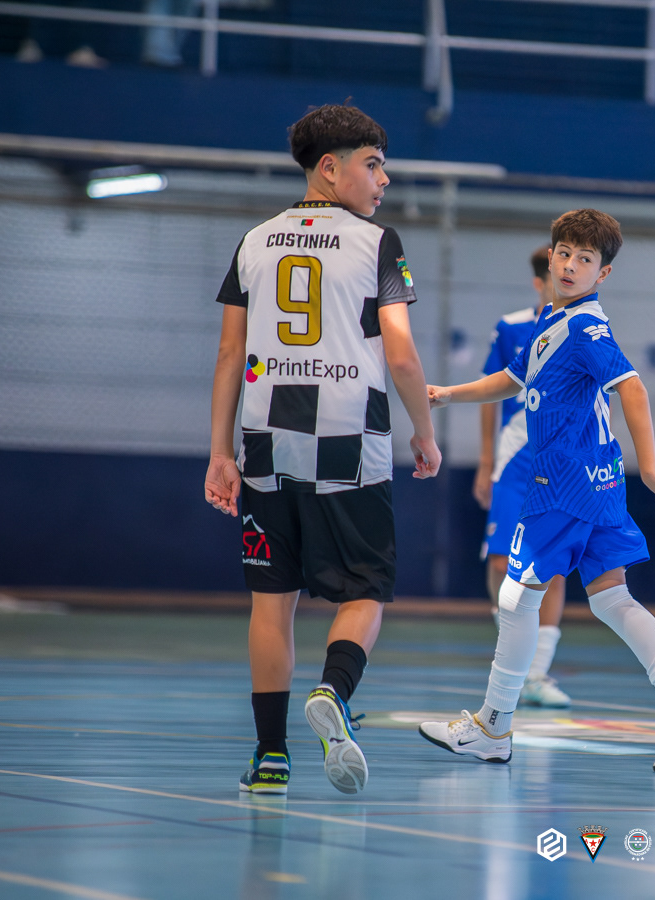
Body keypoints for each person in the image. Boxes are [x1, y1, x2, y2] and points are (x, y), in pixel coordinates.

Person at [418, 209, 655, 773]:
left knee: (516, 597)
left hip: (562, 482)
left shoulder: (586, 327)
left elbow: (632, 387)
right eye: (564, 253)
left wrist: (652, 471)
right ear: (552, 255)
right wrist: (447, 394)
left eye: (586, 259)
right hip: (599, 484)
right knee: (612, 598)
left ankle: (492, 727)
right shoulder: (550, 322)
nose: (570, 265)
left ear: (602, 274)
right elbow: (511, 379)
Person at [205, 103, 441, 796]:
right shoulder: (378, 243)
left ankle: (270, 757)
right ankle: (333, 691)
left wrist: (219, 452)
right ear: (330, 169)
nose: (384, 180)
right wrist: (423, 431)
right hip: (348, 438)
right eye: (374, 165)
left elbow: (229, 355)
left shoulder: (254, 241)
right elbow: (401, 354)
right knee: (366, 587)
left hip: (263, 440)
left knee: (271, 599)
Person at [472, 245, 571, 708]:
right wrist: (485, 460)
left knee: (554, 565)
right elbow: (489, 393)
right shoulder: (512, 328)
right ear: (539, 280)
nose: (567, 278)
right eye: (557, 272)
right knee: (500, 562)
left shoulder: (586, 328)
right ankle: (514, 653)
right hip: (514, 463)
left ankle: (536, 673)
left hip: (560, 465)